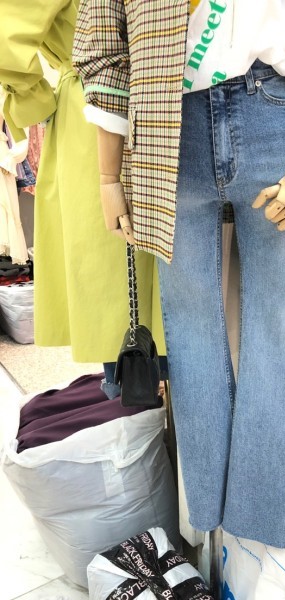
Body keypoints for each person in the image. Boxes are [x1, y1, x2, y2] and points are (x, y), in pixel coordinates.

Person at [73, 0, 285, 547]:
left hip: (268, 111)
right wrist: (107, 174)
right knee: (194, 333)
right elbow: (103, 34)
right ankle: (212, 522)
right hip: (167, 126)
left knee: (277, 332)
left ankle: (259, 530)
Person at [0, 0, 161, 399]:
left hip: (153, 108)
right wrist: (36, 98)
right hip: (98, 121)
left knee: (143, 286)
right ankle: (133, 411)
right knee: (119, 292)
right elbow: (6, 38)